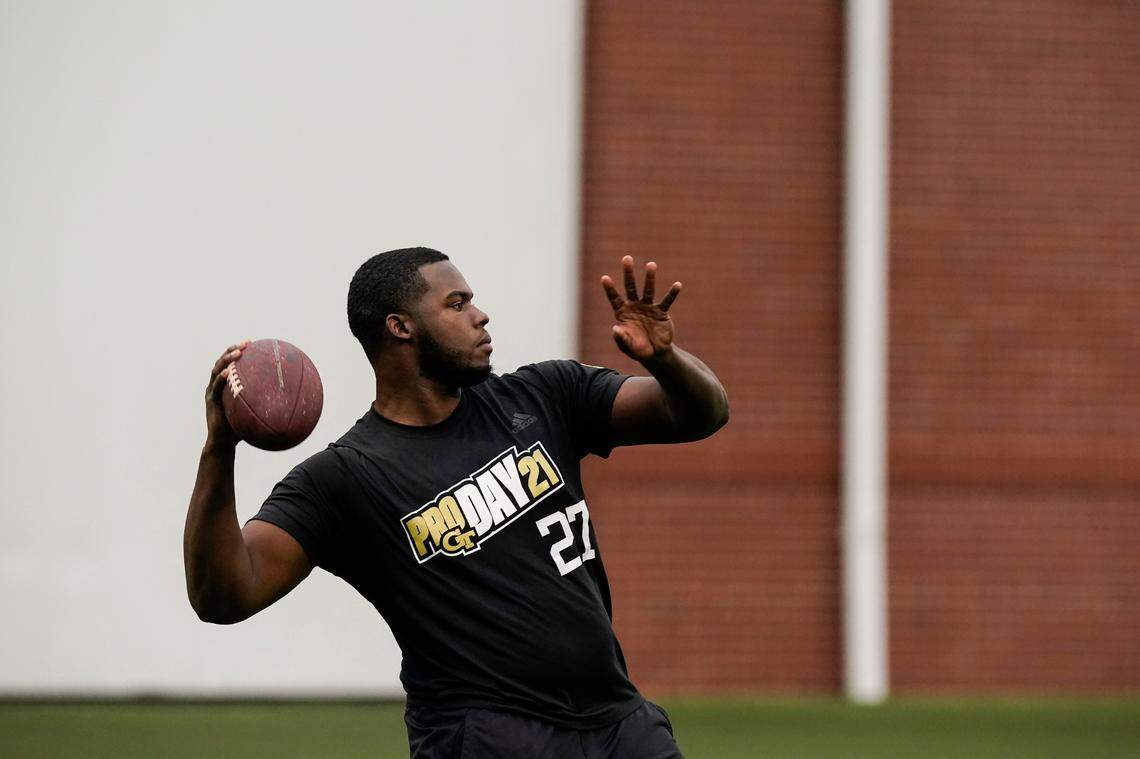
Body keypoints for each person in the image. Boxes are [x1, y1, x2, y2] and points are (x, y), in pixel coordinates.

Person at [184, 247, 729, 759]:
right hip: (490, 737)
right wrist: (219, 447)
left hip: (620, 723)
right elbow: (225, 594)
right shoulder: (347, 477)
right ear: (401, 327)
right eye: (457, 303)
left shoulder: (544, 396)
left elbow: (701, 414)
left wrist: (666, 360)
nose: (480, 315)